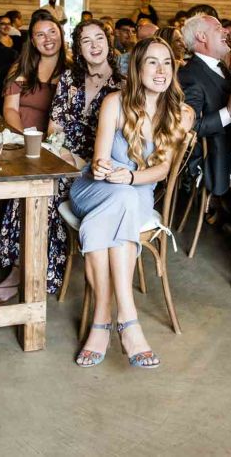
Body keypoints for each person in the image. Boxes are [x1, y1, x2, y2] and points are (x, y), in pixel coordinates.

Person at [69, 38, 194, 368]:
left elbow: (163, 169)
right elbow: (99, 158)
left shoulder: (181, 113)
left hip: (135, 191)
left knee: (121, 203)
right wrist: (102, 167)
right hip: (94, 188)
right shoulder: (115, 102)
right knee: (120, 200)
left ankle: (101, 322)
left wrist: (130, 178)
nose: (160, 70)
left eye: (166, 62)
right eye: (151, 62)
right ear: (138, 69)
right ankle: (129, 321)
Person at [0, 17, 68, 306]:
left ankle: (19, 273)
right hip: (22, 141)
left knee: (27, 195)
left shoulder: (72, 72)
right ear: (32, 40)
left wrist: (46, 145)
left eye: (52, 32)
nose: (47, 38)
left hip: (57, 149)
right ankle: (7, 254)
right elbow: (10, 109)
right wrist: (23, 139)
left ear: (61, 34)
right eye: (39, 34)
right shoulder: (22, 67)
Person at [179, 14, 231, 215]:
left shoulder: (220, 67)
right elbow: (191, 127)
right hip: (219, 157)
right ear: (201, 36)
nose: (226, 31)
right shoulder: (190, 75)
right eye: (218, 28)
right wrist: (230, 111)